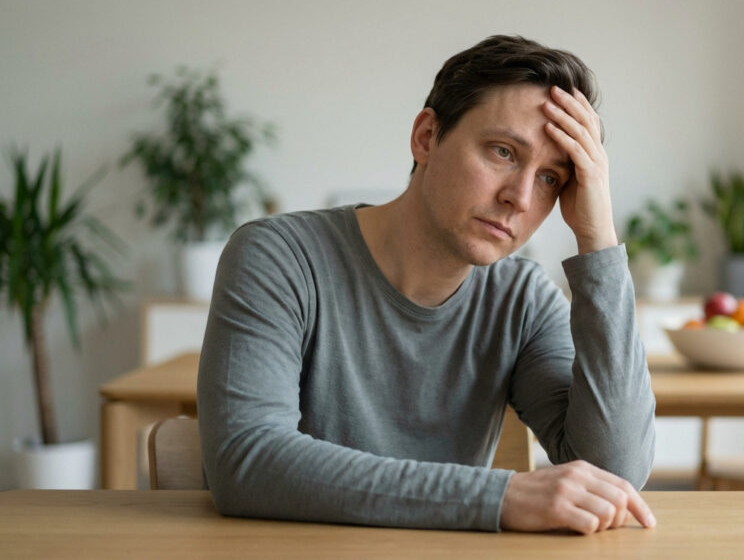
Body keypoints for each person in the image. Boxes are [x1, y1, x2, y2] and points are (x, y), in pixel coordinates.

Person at [197, 34, 657, 535]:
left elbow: (612, 476)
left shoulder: (522, 300)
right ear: (426, 137)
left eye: (551, 178)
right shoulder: (280, 256)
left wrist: (598, 239)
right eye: (503, 152)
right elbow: (247, 461)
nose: (520, 198)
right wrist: (496, 497)